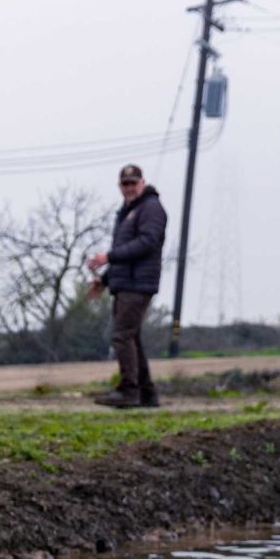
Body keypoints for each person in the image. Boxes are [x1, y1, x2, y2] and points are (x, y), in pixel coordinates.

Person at [86, 164, 167, 408]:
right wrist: (105, 280)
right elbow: (125, 254)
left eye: (133, 183)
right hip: (127, 282)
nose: (129, 187)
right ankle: (147, 393)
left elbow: (147, 243)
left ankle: (129, 391)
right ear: (120, 186)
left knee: (122, 335)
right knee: (132, 337)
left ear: (142, 183)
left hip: (138, 283)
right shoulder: (128, 211)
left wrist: (108, 257)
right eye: (125, 184)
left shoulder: (150, 208)